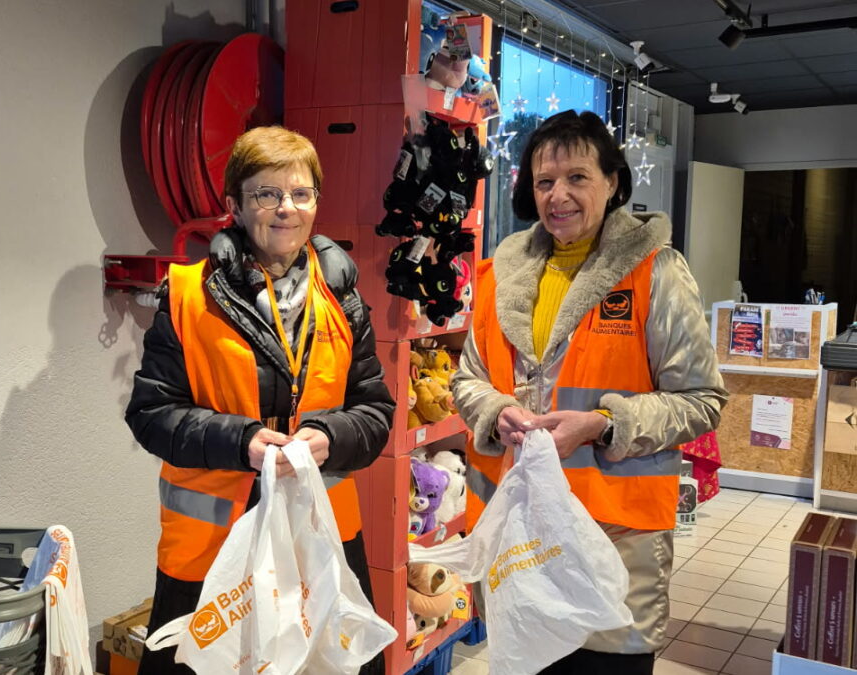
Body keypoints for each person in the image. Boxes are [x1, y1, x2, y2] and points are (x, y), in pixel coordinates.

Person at [451, 110, 727, 674]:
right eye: (544, 181)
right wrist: (497, 410)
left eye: (577, 177)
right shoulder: (497, 276)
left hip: (614, 540)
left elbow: (702, 399)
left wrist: (604, 423)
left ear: (613, 183)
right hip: (521, 540)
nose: (559, 195)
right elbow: (466, 379)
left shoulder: (656, 272)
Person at [125, 126, 393, 675]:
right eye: (266, 194)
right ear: (235, 206)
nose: (285, 209)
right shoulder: (186, 296)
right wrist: (241, 440)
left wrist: (330, 437)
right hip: (211, 550)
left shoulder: (344, 299)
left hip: (319, 541)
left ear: (317, 201)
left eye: (300, 193)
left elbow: (374, 409)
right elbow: (150, 415)